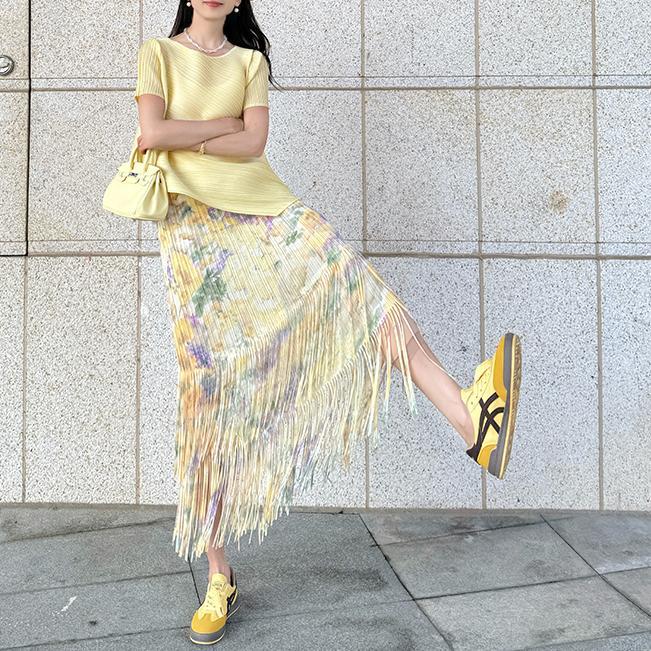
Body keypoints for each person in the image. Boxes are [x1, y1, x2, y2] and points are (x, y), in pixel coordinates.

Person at [133, 0, 522, 645]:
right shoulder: (158, 54)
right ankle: (219, 575)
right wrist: (220, 127)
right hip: (196, 235)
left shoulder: (249, 62)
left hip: (267, 212)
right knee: (208, 392)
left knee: (363, 296)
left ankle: (468, 419)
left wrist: (195, 133)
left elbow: (253, 143)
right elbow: (151, 134)